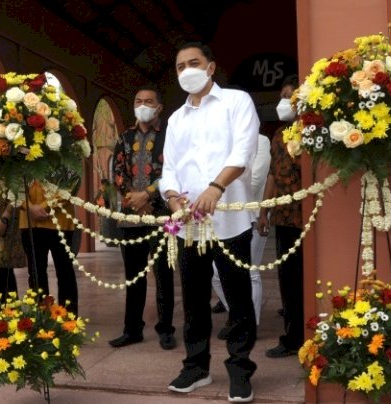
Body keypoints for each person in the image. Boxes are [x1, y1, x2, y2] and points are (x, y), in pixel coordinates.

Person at [160, 42, 259, 402]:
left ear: (211, 67)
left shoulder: (236, 102)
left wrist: (216, 187)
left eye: (194, 63)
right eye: (180, 66)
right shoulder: (175, 118)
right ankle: (196, 367)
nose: (187, 70)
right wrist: (172, 196)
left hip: (230, 220)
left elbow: (243, 150)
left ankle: (240, 369)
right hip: (188, 224)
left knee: (237, 297)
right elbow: (168, 168)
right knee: (194, 299)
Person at [108, 84, 176, 350]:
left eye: (149, 101)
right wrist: (135, 203)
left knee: (163, 274)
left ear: (159, 107)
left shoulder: (170, 136)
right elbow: (118, 173)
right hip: (130, 218)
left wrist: (148, 196)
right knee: (133, 275)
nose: (143, 105)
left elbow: (173, 170)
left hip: (162, 216)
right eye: (139, 101)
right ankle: (132, 329)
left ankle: (166, 328)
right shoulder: (124, 138)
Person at [257, 75, 305, 359]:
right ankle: (292, 337)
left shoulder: (315, 132)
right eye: (282, 96)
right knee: (288, 280)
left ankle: (313, 336)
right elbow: (273, 174)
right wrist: (264, 211)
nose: (284, 101)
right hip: (285, 219)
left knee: (309, 280)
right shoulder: (278, 135)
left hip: (309, 218)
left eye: (291, 96)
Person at [212, 132, 271, 338]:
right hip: (220, 215)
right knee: (217, 274)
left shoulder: (261, 141)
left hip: (251, 213)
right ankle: (239, 316)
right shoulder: (223, 139)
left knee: (250, 271)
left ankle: (249, 325)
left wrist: (216, 193)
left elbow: (255, 180)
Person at [19, 179, 79, 314]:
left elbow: (70, 182)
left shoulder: (66, 157)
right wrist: (28, 206)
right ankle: (41, 319)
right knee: (35, 273)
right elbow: (14, 184)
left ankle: (68, 320)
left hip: (59, 220)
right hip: (29, 222)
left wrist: (43, 206)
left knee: (65, 273)